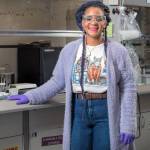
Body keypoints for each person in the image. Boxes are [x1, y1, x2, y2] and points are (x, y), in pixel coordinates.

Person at [8, 1, 137, 150]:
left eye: (99, 18)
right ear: (81, 22)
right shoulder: (69, 50)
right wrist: (31, 96)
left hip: (106, 110)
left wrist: (128, 123)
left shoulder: (118, 51)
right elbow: (57, 81)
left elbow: (129, 87)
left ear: (105, 22)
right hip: (79, 110)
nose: (93, 22)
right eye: (88, 18)